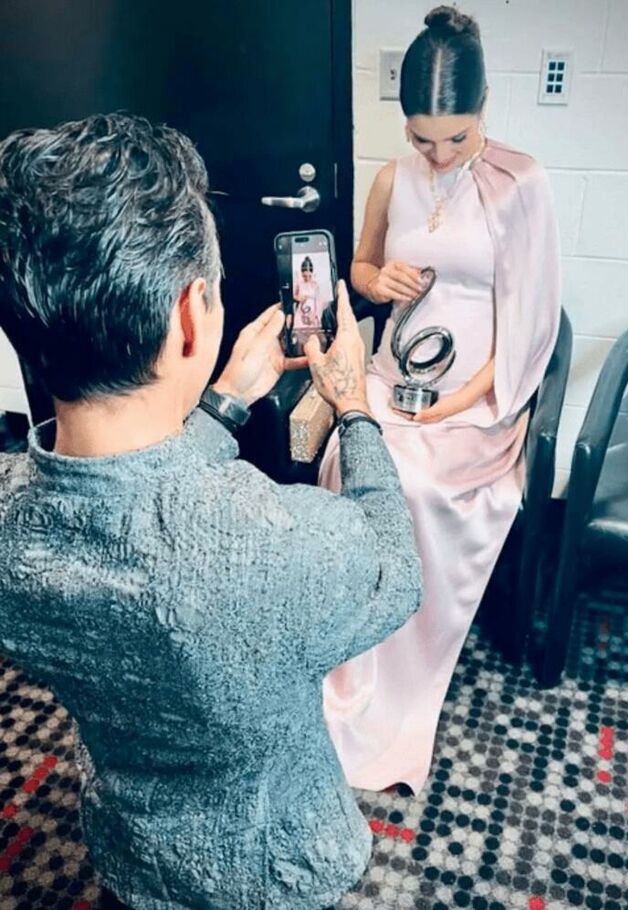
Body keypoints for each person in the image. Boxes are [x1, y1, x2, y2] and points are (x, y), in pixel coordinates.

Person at [0, 113, 422, 910]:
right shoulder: (275, 542)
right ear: (193, 313)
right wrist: (355, 411)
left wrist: (223, 401)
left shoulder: (8, 524)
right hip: (272, 868)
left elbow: (117, 496)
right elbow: (395, 572)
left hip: (129, 850)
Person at [319, 6, 561, 794]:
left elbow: (531, 326)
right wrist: (376, 280)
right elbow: (359, 270)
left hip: (476, 396)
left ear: (482, 104)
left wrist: (457, 404)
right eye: (423, 139)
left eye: (455, 137)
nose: (440, 154)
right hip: (393, 379)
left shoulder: (520, 184)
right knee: (350, 464)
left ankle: (401, 684)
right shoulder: (392, 177)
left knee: (417, 487)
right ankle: (345, 664)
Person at [293, 255, 323, 330]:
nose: (307, 278)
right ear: (302, 274)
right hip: (301, 311)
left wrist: (316, 315)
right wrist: (298, 298)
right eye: (305, 276)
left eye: (309, 276)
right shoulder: (299, 283)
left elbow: (319, 301)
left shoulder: (315, 284)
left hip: (313, 311)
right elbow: (293, 295)